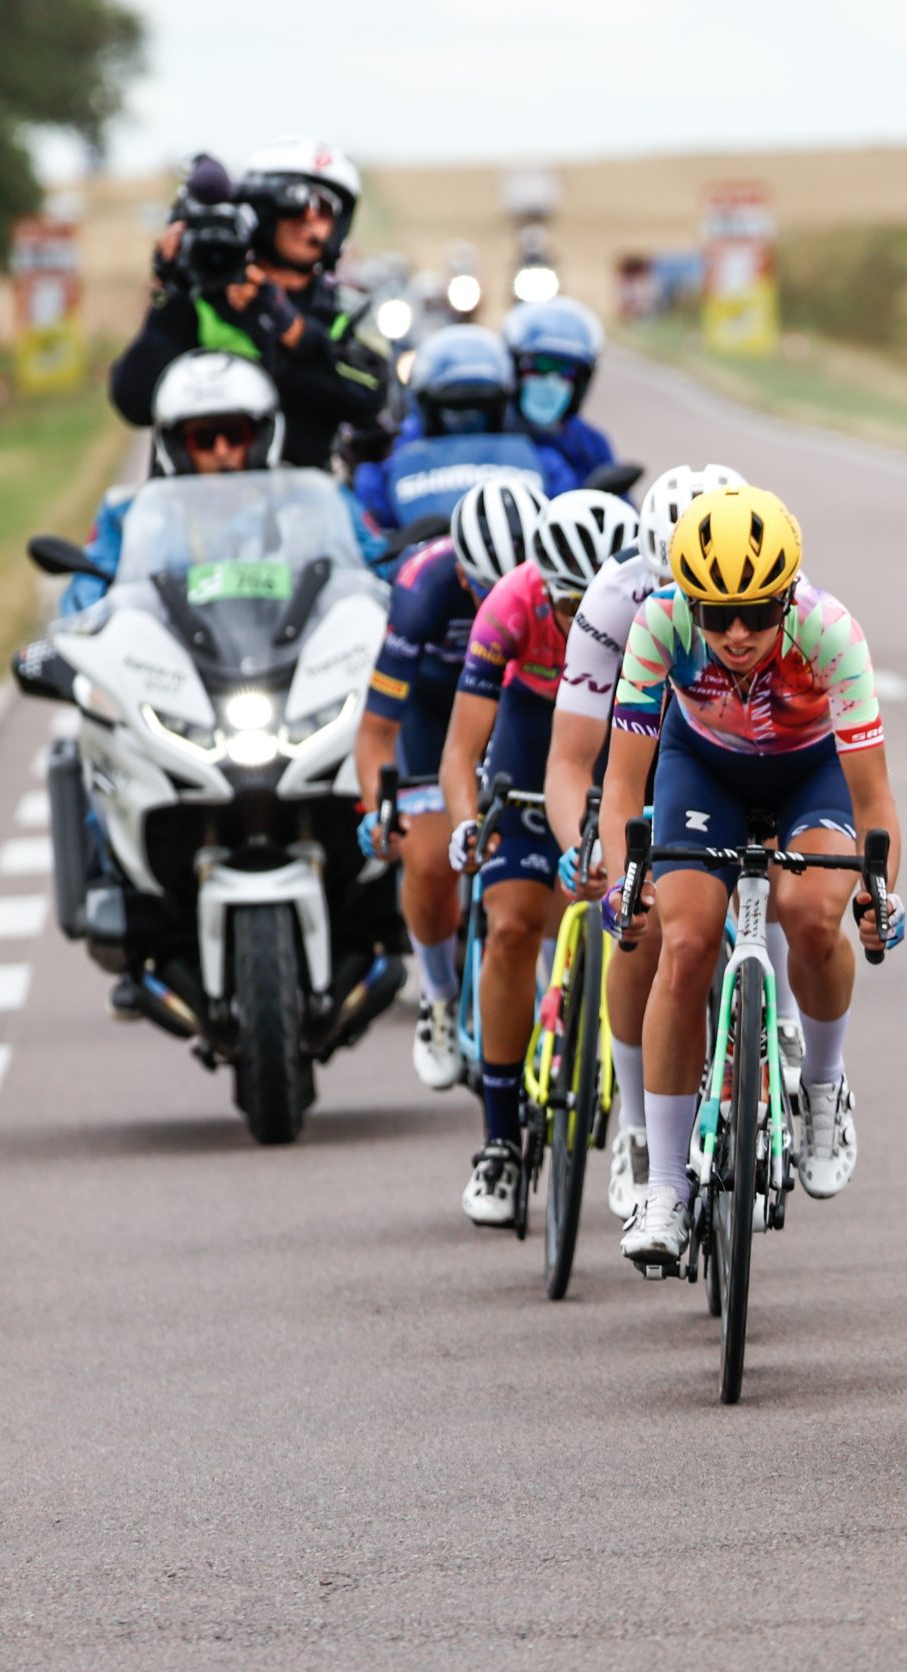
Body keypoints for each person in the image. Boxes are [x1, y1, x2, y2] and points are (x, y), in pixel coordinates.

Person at [607, 487, 905, 1270]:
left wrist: (880, 892)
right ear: (688, 603)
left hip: (812, 775)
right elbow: (621, 784)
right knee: (685, 943)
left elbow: (874, 797)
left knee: (812, 916)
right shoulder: (659, 625)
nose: (736, 634)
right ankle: (666, 1186)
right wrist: (622, 881)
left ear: (787, 598)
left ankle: (824, 1086)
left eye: (756, 613)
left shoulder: (829, 632)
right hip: (702, 771)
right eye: (716, 615)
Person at [546, 462, 810, 1221]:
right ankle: (638, 1124)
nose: (724, 621)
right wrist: (587, 848)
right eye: (696, 597)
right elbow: (572, 757)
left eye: (744, 604)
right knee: (647, 923)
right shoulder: (619, 603)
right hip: (649, 748)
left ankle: (782, 1015)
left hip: (741, 740)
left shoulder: (772, 596)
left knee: (775, 861)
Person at [440, 488, 641, 1226]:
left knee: (647, 928)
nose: (580, 621)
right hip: (532, 742)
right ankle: (497, 1142)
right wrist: (467, 823)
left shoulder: (651, 603)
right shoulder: (510, 605)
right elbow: (461, 750)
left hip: (626, 734)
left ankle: (647, 1125)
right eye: (565, 605)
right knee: (512, 929)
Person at [354, 475, 547, 1091]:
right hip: (436, 715)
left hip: (523, 708)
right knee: (431, 858)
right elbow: (376, 732)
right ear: (464, 577)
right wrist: (377, 811)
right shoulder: (421, 591)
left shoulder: (564, 582)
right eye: (491, 591)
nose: (507, 606)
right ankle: (437, 996)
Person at [108, 138, 381, 469]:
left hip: (305, 508)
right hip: (196, 506)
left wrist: (286, 327)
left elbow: (371, 399)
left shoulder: (341, 312)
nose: (310, 224)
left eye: (324, 211)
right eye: (296, 209)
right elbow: (134, 403)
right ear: (262, 212)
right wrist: (172, 293)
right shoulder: (203, 303)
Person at [65, 351, 388, 618]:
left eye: (235, 435)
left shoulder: (316, 498)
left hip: (299, 670)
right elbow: (82, 605)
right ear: (177, 445)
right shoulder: (129, 514)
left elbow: (382, 568)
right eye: (203, 438)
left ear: (261, 437)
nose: (222, 451)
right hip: (171, 679)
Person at [352, 325, 551, 536]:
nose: (466, 417)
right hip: (421, 564)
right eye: (453, 408)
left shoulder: (544, 459)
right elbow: (373, 539)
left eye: (479, 406)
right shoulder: (388, 461)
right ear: (425, 405)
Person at [503, 299, 619, 491]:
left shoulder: (590, 442)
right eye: (541, 366)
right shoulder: (491, 431)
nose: (551, 382)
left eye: (566, 371)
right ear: (515, 370)